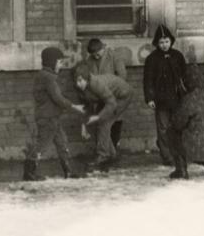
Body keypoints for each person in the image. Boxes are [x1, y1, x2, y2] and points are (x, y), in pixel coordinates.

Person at [23, 47, 85, 181]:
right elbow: (58, 98)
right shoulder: (49, 78)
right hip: (48, 118)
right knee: (42, 144)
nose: (61, 65)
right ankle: (29, 173)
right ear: (52, 62)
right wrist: (75, 107)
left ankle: (68, 171)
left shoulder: (44, 76)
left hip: (52, 117)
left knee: (62, 143)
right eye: (60, 62)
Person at [143, 24, 189, 175]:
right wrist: (149, 98)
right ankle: (167, 156)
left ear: (171, 41)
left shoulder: (177, 56)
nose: (164, 45)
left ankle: (180, 155)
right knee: (163, 129)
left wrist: (186, 93)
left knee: (178, 127)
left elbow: (185, 76)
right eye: (161, 42)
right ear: (157, 43)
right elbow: (148, 80)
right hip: (161, 100)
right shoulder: (151, 59)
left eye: (167, 42)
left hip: (177, 99)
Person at [75, 66, 134, 171]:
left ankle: (103, 155)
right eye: (76, 81)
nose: (78, 84)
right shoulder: (82, 89)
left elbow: (111, 103)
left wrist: (98, 116)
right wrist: (83, 127)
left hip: (122, 96)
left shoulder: (96, 84)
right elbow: (85, 108)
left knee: (104, 122)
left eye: (80, 81)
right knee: (102, 123)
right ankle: (111, 154)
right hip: (108, 98)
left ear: (87, 79)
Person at [83, 37, 129, 149]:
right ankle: (104, 151)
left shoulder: (114, 56)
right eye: (93, 54)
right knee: (101, 124)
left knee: (114, 123)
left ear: (103, 47)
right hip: (99, 98)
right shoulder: (89, 61)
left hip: (114, 96)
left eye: (98, 53)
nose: (96, 56)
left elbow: (122, 76)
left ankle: (113, 149)